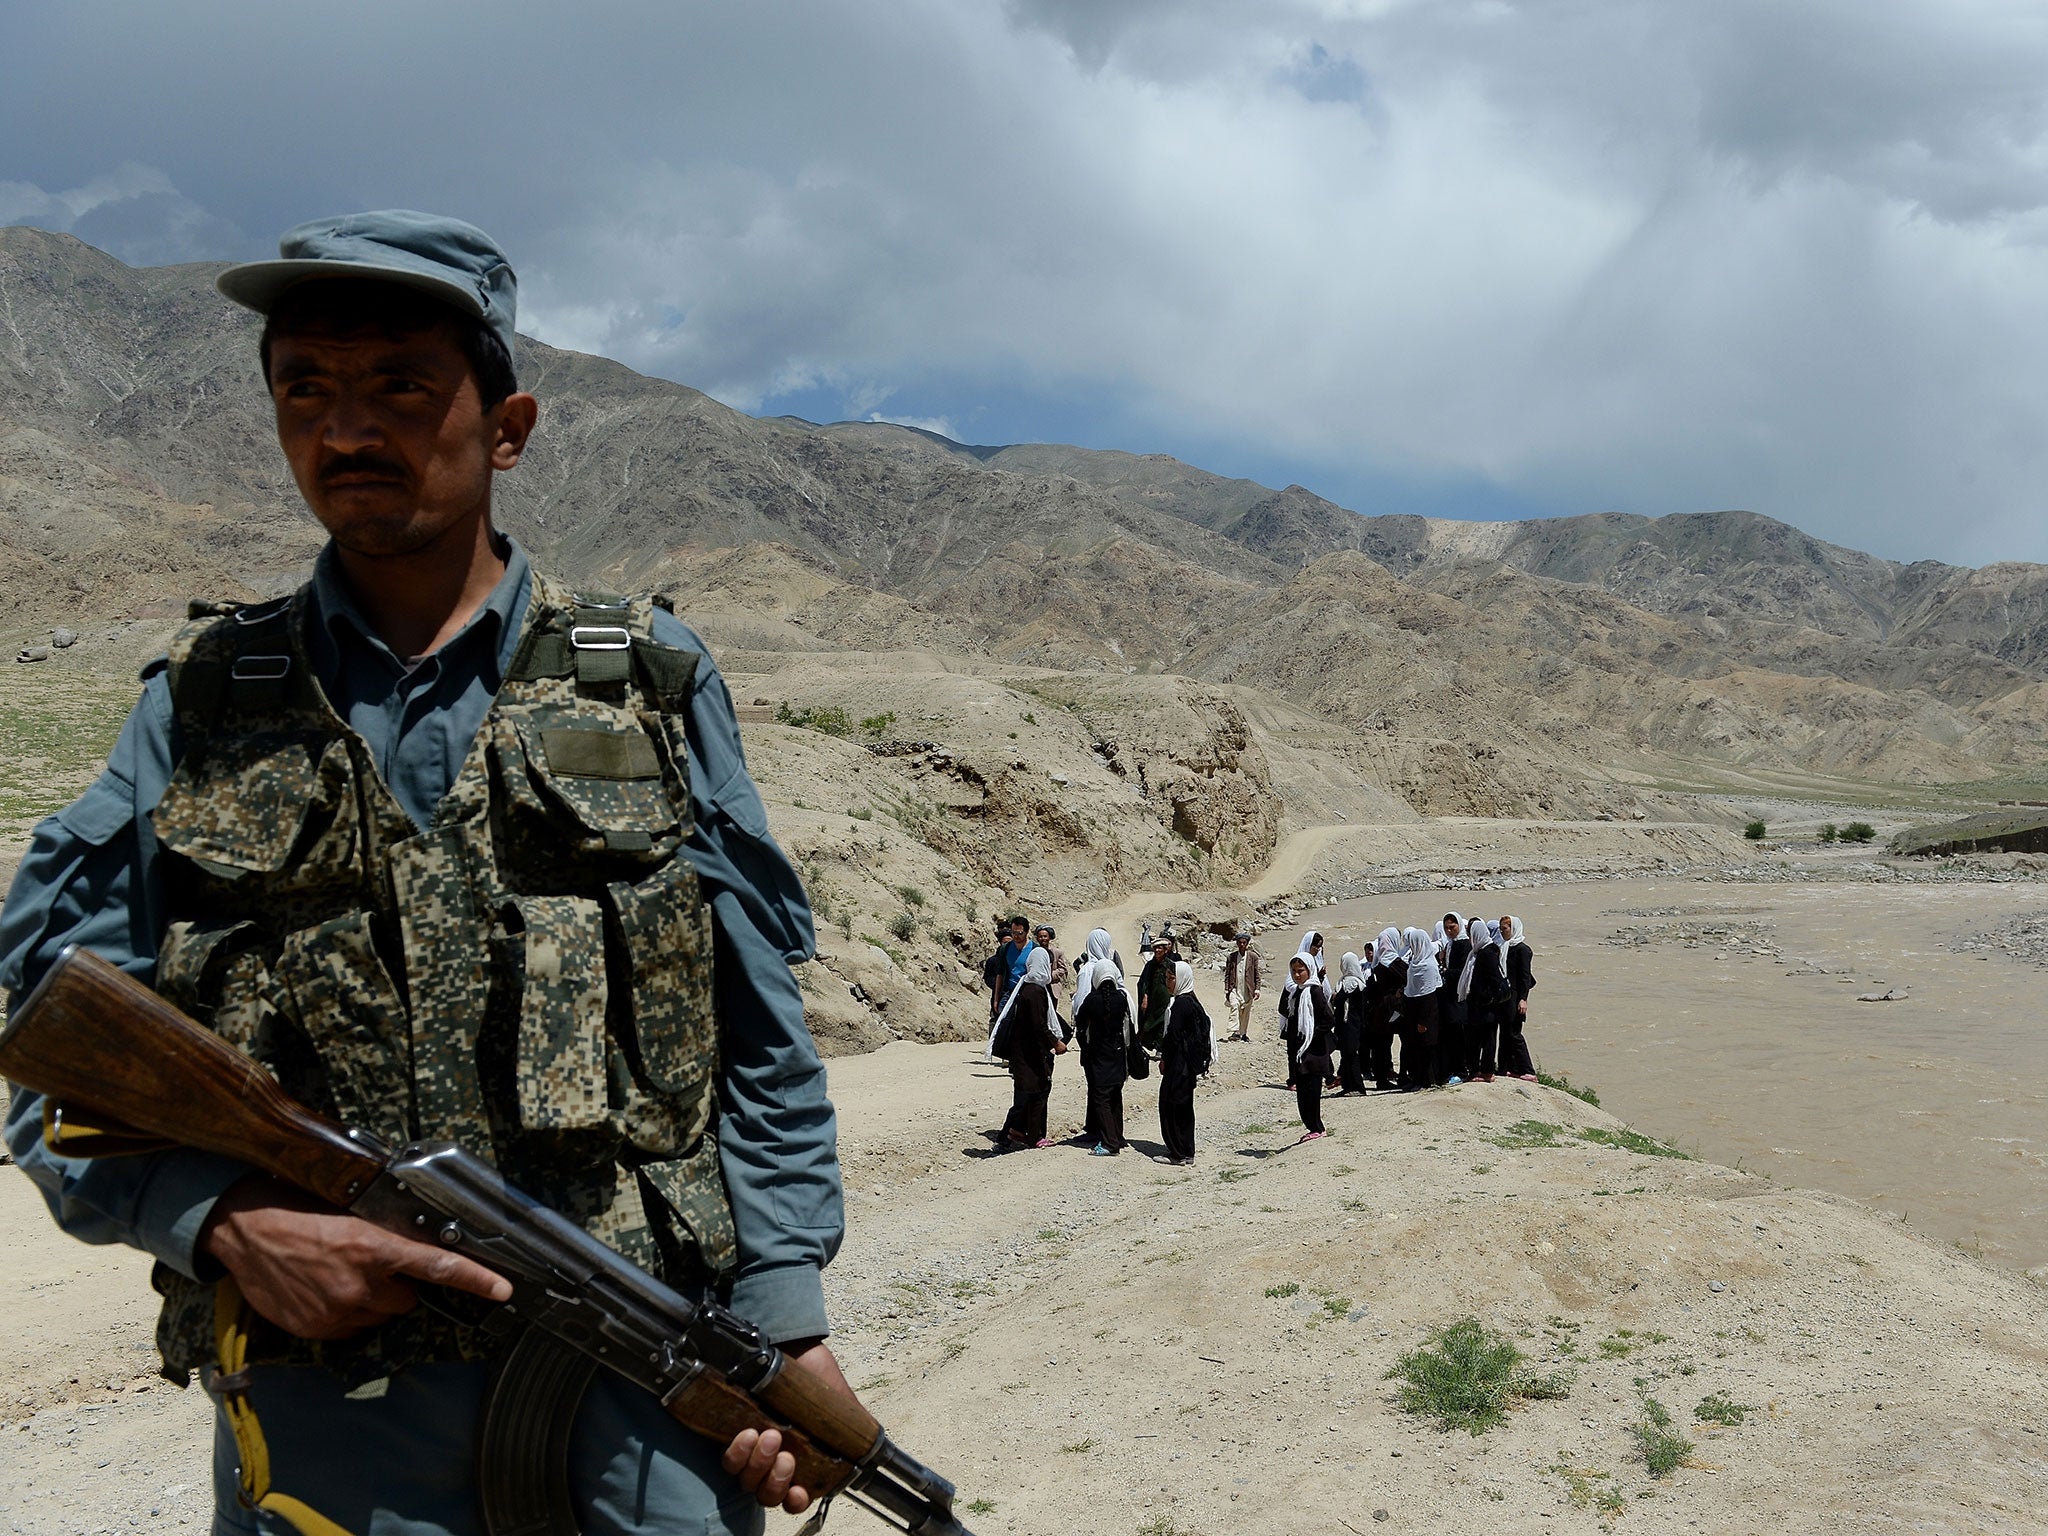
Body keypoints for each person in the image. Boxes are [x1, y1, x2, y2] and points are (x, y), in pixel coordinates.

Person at [0, 211, 856, 1533]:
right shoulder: (204, 707)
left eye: (399, 387)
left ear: (506, 427)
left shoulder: (647, 686)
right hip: (332, 1418)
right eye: (307, 392)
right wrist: (217, 1220)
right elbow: (39, 1035)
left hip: (637, 1387)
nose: (346, 432)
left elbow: (758, 1036)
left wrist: (785, 1320)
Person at [993, 947, 1066, 1147]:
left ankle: (1022, 1133)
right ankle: (1014, 1134)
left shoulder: (1029, 987)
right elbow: (1039, 1025)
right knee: (1035, 1092)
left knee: (1030, 1093)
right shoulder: (1034, 990)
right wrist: (1055, 1043)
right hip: (1030, 1052)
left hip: (1025, 1052)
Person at [1073, 928, 1133, 1156]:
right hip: (1118, 1054)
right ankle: (1117, 1135)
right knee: (1115, 1097)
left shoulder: (1091, 997)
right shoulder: (1122, 997)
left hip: (1098, 1055)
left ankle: (1109, 1143)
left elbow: (1080, 1020)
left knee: (1100, 1097)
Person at [1157, 960, 1211, 1165]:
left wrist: (1164, 1059)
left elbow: (1174, 1037)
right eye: (1168, 978)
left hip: (1179, 1066)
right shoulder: (1191, 1001)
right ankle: (1186, 1151)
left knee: (1172, 1105)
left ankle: (1177, 1153)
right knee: (1184, 1108)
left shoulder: (1181, 1004)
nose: (1168, 982)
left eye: (1172, 978)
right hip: (1187, 1066)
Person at [1284, 952, 1334, 1141]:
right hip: (1301, 1051)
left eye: (1301, 971)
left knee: (1311, 1094)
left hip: (1313, 1052)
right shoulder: (1297, 992)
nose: (1297, 975)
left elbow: (1328, 1019)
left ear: (1309, 970)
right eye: (1294, 971)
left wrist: (1312, 1036)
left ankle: (1318, 1128)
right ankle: (1312, 1127)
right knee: (1303, 1094)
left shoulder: (1314, 991)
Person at [1399, 926, 1443, 1092]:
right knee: (1415, 1048)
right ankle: (1416, 1079)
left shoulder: (1429, 966)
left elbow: (1429, 997)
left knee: (1426, 1049)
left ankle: (1427, 1081)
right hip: (1413, 1012)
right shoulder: (1415, 963)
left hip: (1426, 1016)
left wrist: (1423, 1021)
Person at [1462, 917, 1506, 1081]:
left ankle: (1487, 1071)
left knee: (1488, 1039)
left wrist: (1485, 995)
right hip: (1475, 1004)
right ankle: (1474, 1070)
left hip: (1486, 1006)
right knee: (1473, 1039)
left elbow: (1495, 979)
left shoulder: (1488, 953)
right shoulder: (1477, 952)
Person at [1498, 915, 1538, 1081]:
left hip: (1516, 997)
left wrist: (1523, 999)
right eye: (1500, 929)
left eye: (1505, 929)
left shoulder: (1523, 949)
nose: (1502, 932)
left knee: (1514, 1033)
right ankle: (1511, 1068)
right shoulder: (1505, 947)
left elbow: (1525, 978)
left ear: (1513, 929)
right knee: (1506, 1033)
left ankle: (1528, 1070)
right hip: (1506, 997)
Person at [1366, 927, 1405, 1091]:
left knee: (1381, 1044)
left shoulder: (1378, 962)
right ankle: (1398, 1076)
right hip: (1393, 1009)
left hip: (1379, 1009)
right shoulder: (1394, 962)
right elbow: (1408, 978)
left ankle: (1381, 1077)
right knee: (1397, 1041)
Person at [1436, 913, 1470, 1087]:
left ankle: (1461, 1071)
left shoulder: (1464, 945)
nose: (1449, 931)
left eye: (1452, 927)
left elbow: (1462, 971)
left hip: (1459, 996)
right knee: (1450, 1034)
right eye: (1446, 928)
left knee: (1458, 1034)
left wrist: (1445, 973)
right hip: (1449, 996)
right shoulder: (1450, 945)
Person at [1331, 951, 1371, 1095]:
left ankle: (1358, 1088)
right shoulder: (1346, 981)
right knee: (1346, 1055)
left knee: (1351, 1055)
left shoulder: (1352, 983)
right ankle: (1348, 1086)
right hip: (1347, 1025)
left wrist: (1335, 997)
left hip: (1351, 1025)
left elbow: (1339, 1000)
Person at [1136, 932, 1176, 1050]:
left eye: (1160, 948)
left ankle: (1160, 1048)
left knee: (1163, 1023)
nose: (1158, 950)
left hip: (1165, 1000)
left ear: (1165, 950)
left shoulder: (1170, 965)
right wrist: (1145, 997)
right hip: (1152, 1001)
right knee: (1148, 1023)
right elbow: (1144, 983)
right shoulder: (1150, 965)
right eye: (1156, 948)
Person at [1223, 930, 1262, 1042]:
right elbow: (1227, 974)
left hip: (1248, 989)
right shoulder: (1232, 957)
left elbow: (1256, 974)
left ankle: (1243, 1034)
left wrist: (1257, 989)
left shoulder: (1253, 957)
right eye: (1240, 942)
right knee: (1234, 1005)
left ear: (1247, 943)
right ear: (1237, 943)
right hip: (1234, 988)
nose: (1242, 945)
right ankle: (1235, 1031)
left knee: (1245, 1013)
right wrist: (1227, 989)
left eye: (1244, 943)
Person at [1034, 923, 1069, 1012]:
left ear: (1049, 937)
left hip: (1052, 986)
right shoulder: (1034, 952)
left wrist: (1051, 976)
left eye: (1045, 936)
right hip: (1038, 986)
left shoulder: (1057, 952)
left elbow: (1063, 969)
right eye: (1040, 936)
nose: (1043, 939)